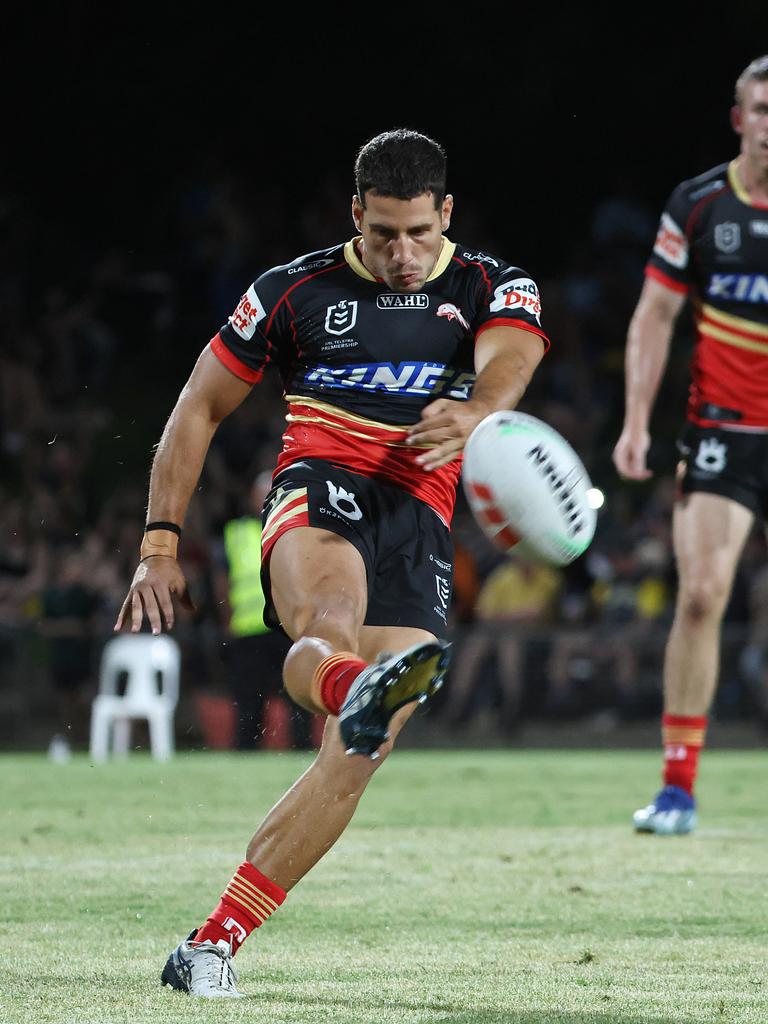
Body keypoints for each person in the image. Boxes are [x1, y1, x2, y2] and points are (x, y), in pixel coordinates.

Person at [115, 128, 548, 996]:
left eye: (420, 233)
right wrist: (158, 544)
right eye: (383, 232)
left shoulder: (492, 283)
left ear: (446, 214)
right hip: (322, 489)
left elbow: (515, 352)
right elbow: (197, 408)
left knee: (359, 753)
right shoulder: (293, 292)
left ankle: (212, 942)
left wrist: (479, 410)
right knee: (327, 626)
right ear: (356, 213)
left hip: (419, 520)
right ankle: (354, 685)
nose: (402, 253)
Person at [613, 56, 768, 835]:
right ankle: (677, 790)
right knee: (703, 592)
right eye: (763, 109)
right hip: (725, 427)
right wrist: (638, 421)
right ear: (739, 118)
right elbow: (654, 316)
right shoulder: (701, 203)